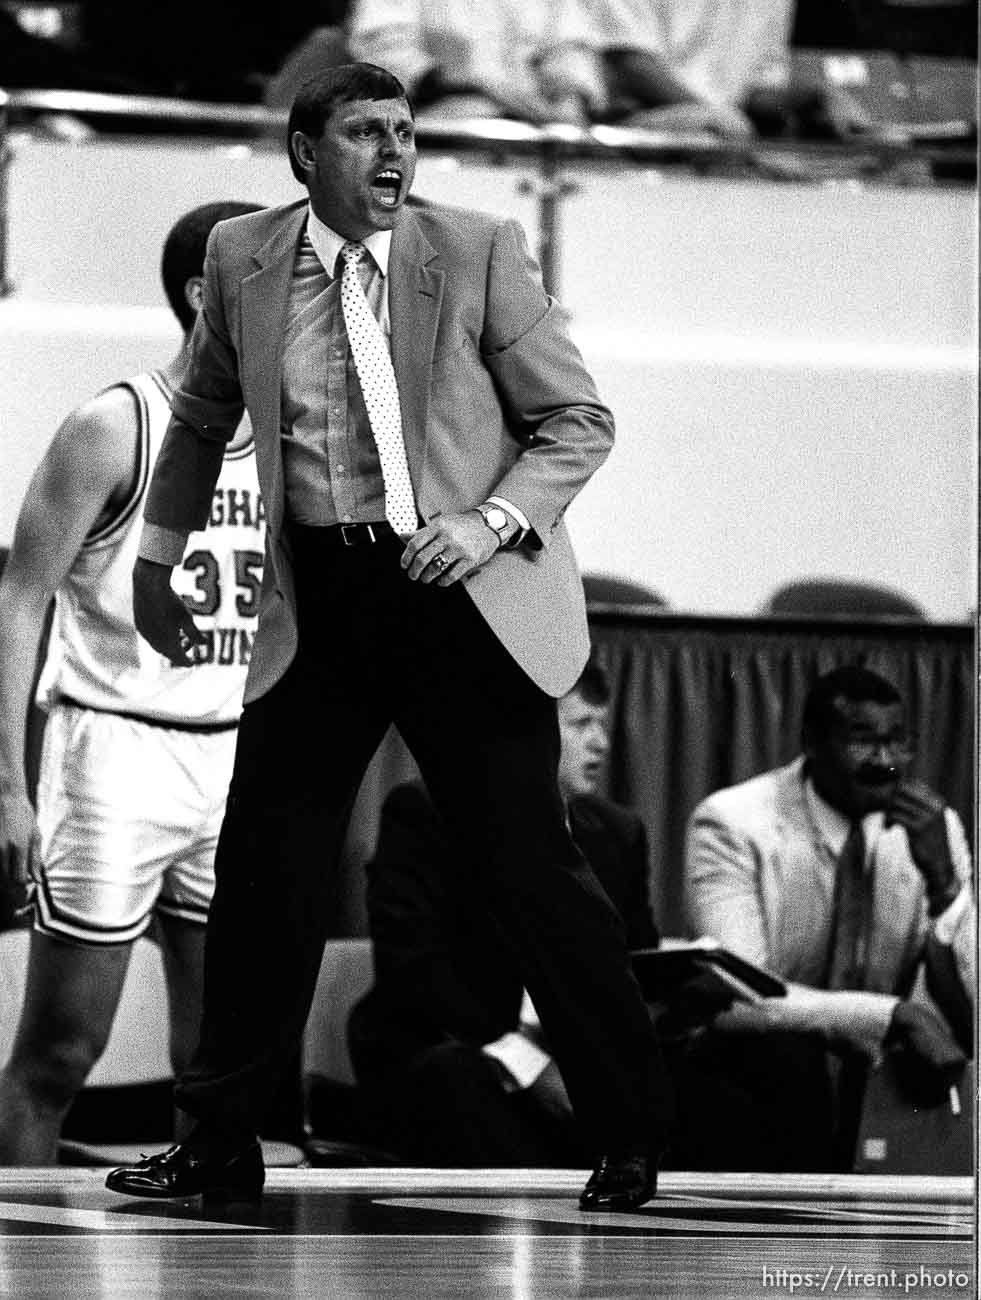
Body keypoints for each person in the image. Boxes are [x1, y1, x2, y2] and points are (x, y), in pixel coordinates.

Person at [105, 62, 670, 1212]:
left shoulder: (473, 248)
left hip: (457, 589)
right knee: (265, 869)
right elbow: (203, 418)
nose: (394, 153)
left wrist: (487, 519)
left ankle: (628, 1133)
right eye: (366, 132)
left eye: (407, 132)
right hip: (322, 594)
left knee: (531, 869)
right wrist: (157, 559)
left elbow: (580, 420)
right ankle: (219, 1140)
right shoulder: (244, 258)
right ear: (306, 151)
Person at [0, 201, 266, 1165]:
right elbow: (18, 597)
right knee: (61, 1054)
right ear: (207, 295)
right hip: (113, 745)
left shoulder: (292, 438)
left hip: (232, 754)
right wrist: (8, 787)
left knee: (215, 1062)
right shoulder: (116, 425)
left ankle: (204, 1267)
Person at [348, 658, 658, 1166]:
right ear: (529, 731)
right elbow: (415, 970)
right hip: (456, 1048)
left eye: (603, 723)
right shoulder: (428, 812)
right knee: (459, 1083)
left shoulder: (619, 833)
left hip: (570, 1057)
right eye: (582, 724)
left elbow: (637, 966)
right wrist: (530, 1068)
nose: (601, 742)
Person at [682, 664, 973, 1169]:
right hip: (759, 1081)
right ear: (811, 743)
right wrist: (888, 1016)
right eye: (862, 741)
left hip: (888, 1083)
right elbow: (740, 999)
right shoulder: (733, 823)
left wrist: (946, 887)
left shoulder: (934, 827)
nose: (885, 762)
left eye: (898, 742)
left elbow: (964, 1011)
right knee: (783, 1059)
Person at [582, 0, 873, 139]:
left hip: (730, 133)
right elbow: (629, 64)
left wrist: (812, 94)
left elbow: (756, 91)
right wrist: (718, 114)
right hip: (624, 121)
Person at [347, 0, 609, 125]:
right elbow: (383, 50)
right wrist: (474, 83)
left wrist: (571, 96)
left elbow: (571, 48)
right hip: (443, 132)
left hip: (538, 131)